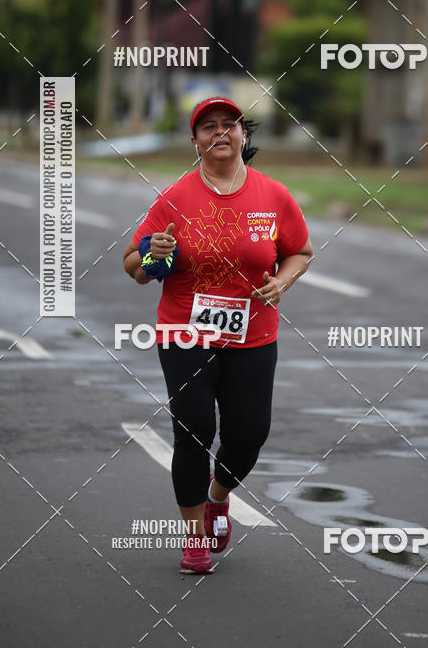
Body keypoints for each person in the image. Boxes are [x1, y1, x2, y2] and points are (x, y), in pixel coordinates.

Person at [123, 96, 313, 574]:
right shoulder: (175, 198)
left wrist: (281, 281)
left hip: (253, 335)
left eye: (229, 125)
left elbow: (300, 251)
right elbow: (134, 267)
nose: (220, 133)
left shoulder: (273, 196)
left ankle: (217, 498)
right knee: (193, 432)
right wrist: (153, 255)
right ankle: (193, 539)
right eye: (208, 127)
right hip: (184, 334)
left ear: (243, 135)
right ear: (195, 142)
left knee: (248, 435)